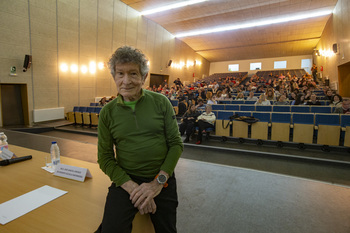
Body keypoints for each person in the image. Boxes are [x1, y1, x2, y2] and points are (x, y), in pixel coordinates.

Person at [95, 46, 183, 233]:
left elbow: (176, 144)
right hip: (126, 180)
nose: (126, 81)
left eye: (133, 73)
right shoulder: (107, 113)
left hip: (161, 178)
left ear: (143, 77)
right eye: (120, 73)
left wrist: (156, 185)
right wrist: (134, 189)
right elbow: (105, 158)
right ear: (114, 77)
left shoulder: (161, 103)